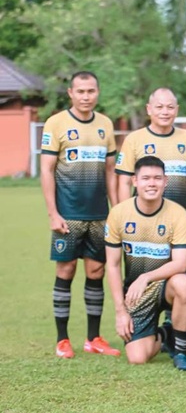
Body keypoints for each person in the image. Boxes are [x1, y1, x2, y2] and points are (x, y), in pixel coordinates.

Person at [41, 70, 120, 359]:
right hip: (68, 215)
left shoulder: (105, 124)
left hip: (99, 215)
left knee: (96, 271)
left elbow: (110, 171)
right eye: (81, 91)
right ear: (71, 93)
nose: (86, 96)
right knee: (66, 270)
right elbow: (47, 170)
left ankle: (93, 338)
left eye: (91, 91)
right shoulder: (56, 123)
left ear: (97, 92)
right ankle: (62, 339)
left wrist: (117, 211)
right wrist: (53, 213)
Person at [105, 156, 186, 371]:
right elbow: (113, 265)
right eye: (146, 178)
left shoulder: (177, 213)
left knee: (183, 283)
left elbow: (180, 263)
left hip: (165, 285)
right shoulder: (118, 213)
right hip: (136, 293)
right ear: (135, 181)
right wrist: (120, 311)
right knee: (138, 357)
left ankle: (180, 352)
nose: (152, 183)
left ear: (165, 181)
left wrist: (146, 277)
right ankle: (165, 334)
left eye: (157, 178)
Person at [116, 88, 186, 241]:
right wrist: (127, 216)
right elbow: (124, 182)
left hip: (177, 223)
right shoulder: (134, 139)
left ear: (177, 110)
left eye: (170, 107)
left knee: (178, 257)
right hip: (142, 222)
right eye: (159, 107)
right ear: (149, 109)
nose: (165, 112)